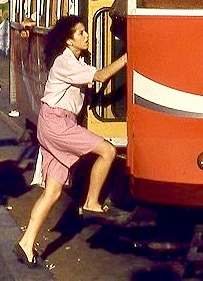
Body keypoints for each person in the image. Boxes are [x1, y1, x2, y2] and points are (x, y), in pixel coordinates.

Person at [14, 16, 128, 267]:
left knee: (52, 192)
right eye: (80, 33)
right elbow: (100, 76)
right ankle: (92, 202)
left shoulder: (74, 61)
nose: (86, 35)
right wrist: (128, 57)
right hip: (58, 123)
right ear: (69, 40)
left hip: (54, 121)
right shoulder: (65, 62)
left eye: (85, 31)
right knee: (107, 151)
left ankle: (26, 243)